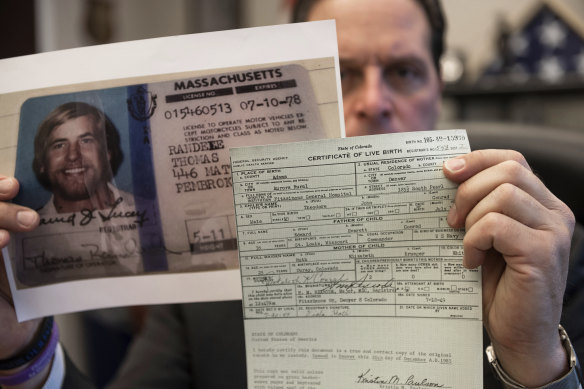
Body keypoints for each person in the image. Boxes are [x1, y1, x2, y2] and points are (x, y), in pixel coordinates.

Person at [0, 0, 582, 388]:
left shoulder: (544, 262)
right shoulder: (210, 275)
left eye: (404, 71)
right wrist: (21, 350)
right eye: (345, 72)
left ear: (438, 86)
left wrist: (535, 360)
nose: (375, 100)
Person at [9, 101, 145, 288]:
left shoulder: (153, 214)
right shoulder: (17, 240)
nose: (73, 155)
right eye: (59, 145)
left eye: (86, 140)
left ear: (107, 153)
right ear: (42, 163)